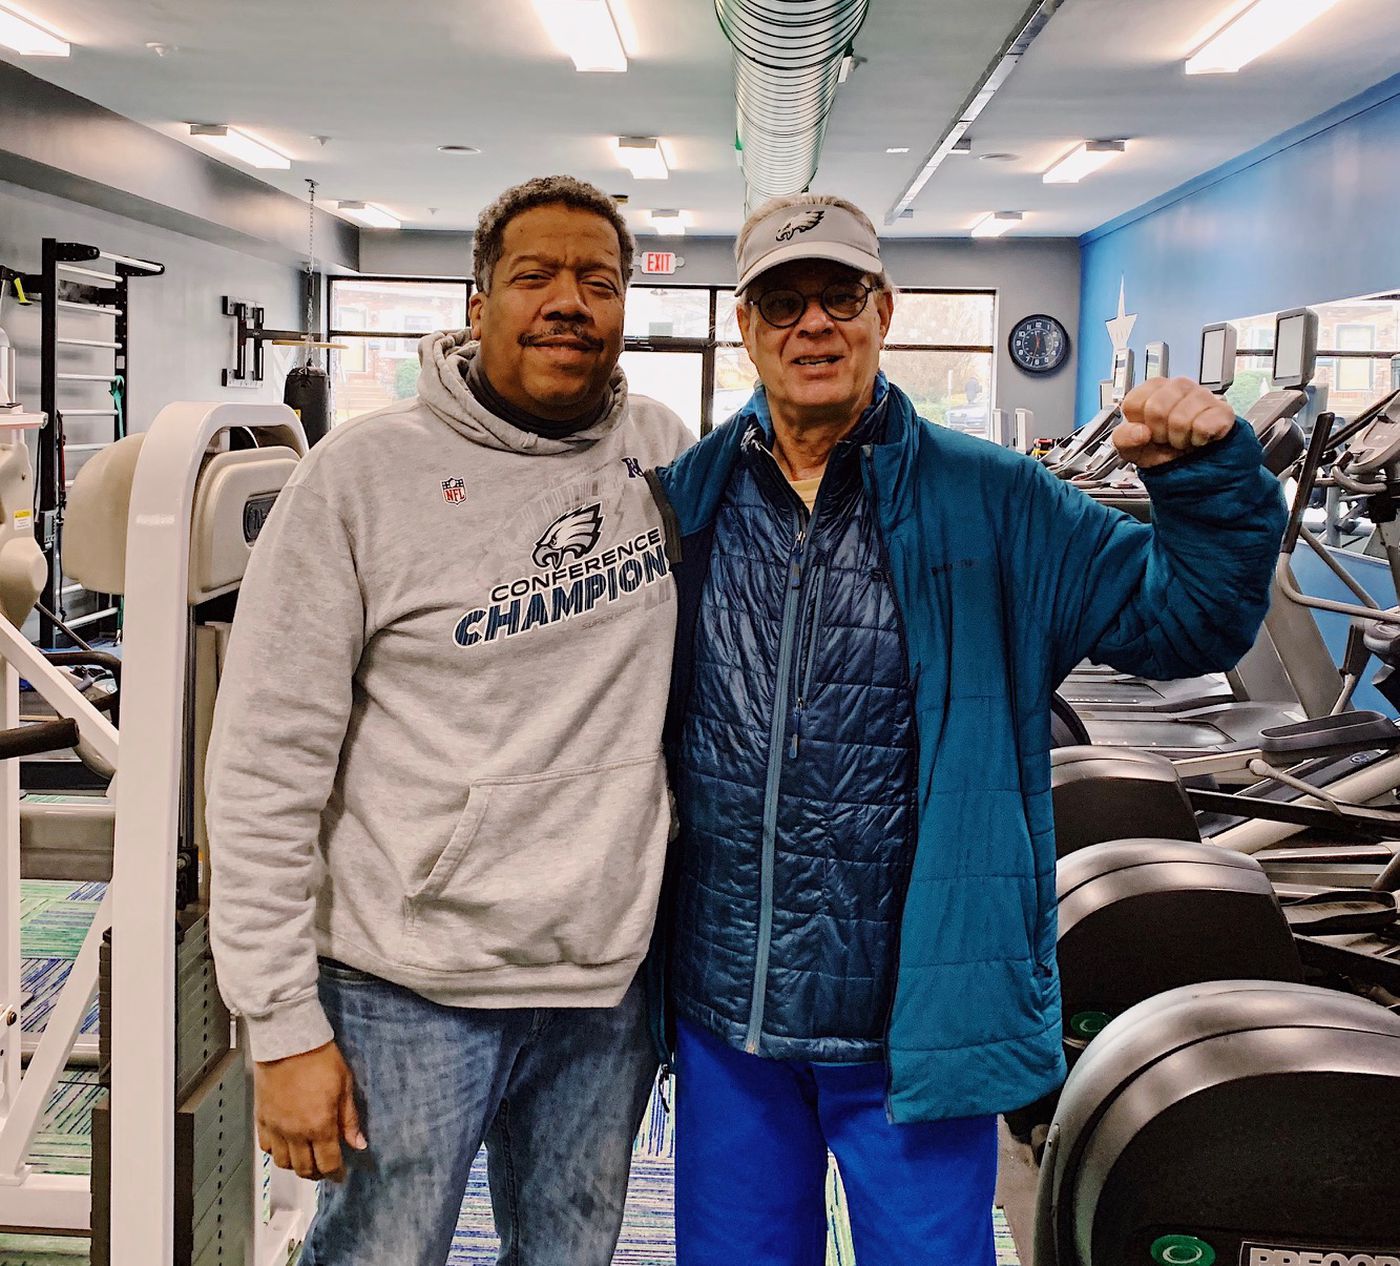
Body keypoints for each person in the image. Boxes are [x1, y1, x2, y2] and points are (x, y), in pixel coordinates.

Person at [650, 193, 1287, 1266]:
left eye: (839, 296)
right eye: (783, 301)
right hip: (727, 1011)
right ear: (746, 327)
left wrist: (1211, 484)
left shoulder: (996, 498)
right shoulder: (687, 499)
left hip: (913, 1016)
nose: (813, 323)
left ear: (882, 311)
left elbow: (1184, 619)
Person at [206, 174, 692, 1266]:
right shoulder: (360, 479)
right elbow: (263, 766)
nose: (568, 300)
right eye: (535, 276)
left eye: (598, 281)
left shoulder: (663, 451)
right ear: (477, 306)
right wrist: (280, 1026)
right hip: (404, 984)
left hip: (602, 984)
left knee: (569, 1256)